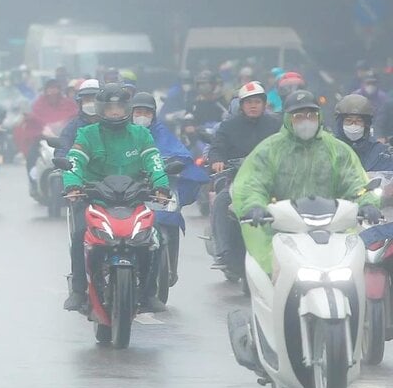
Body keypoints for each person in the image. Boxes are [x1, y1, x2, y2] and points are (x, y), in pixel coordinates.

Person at [232, 90, 381, 276]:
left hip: (331, 231)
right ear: (287, 118)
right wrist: (254, 205)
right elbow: (252, 183)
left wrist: (367, 202)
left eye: (311, 115)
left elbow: (356, 182)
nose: (306, 120)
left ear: (319, 117)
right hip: (282, 230)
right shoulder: (269, 150)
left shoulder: (336, 149)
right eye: (299, 116)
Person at [62, 84, 171, 313]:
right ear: (101, 109)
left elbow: (154, 161)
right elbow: (75, 160)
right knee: (80, 232)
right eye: (110, 108)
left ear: (127, 109)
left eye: (120, 107)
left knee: (156, 235)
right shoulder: (88, 133)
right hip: (96, 198)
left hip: (134, 198)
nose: (115, 112)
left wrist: (161, 185)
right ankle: (79, 290)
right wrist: (72, 184)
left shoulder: (141, 134)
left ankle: (149, 293)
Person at [131, 91, 209, 302]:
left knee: (170, 218)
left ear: (153, 114)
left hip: (158, 189)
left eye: (146, 112)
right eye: (138, 112)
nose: (142, 116)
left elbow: (181, 154)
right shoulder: (123, 134)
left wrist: (173, 164)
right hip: (128, 191)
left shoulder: (162, 133)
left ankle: (168, 270)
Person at [206, 82, 281, 275]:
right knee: (222, 201)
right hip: (237, 181)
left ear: (264, 104)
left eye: (257, 101)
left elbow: (289, 146)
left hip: (271, 182)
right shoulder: (228, 126)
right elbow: (216, 147)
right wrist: (216, 160)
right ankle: (223, 251)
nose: (253, 106)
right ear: (241, 105)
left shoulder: (277, 124)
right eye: (248, 102)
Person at [17, 79, 78, 193]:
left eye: (55, 88)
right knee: (31, 156)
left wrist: (64, 125)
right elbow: (35, 119)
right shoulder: (39, 104)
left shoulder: (68, 103)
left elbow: (74, 115)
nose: (52, 92)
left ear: (59, 90)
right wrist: (42, 129)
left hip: (65, 138)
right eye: (50, 89)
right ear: (46, 90)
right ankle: (33, 182)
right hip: (43, 138)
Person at [333, 94, 393, 171]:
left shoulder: (379, 152)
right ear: (340, 124)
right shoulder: (331, 149)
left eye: (359, 121)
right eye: (348, 120)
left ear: (366, 125)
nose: (353, 125)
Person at [53, 79, 101, 158]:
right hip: (81, 168)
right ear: (80, 103)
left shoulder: (110, 124)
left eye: (95, 99)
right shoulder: (73, 127)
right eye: (87, 100)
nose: (91, 103)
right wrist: (63, 161)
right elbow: (63, 147)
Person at [353, 72, 389, 140]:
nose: (371, 86)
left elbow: (385, 117)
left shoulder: (383, 98)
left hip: (378, 130)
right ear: (363, 83)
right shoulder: (356, 96)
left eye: (373, 83)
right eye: (368, 83)